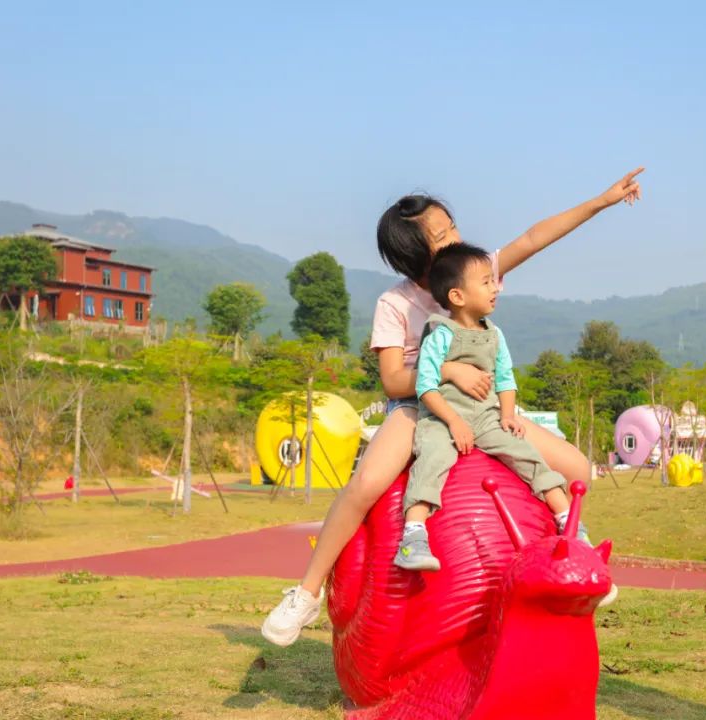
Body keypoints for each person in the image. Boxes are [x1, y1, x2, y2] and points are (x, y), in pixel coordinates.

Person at [261, 168, 643, 646]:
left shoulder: (475, 272)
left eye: (453, 227)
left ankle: (566, 560)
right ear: (414, 255)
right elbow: (392, 378)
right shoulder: (396, 303)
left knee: (575, 465)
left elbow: (533, 237)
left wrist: (602, 201)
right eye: (443, 236)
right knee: (367, 484)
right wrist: (448, 371)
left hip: (484, 408)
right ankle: (307, 592)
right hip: (418, 405)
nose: (457, 239)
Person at [395, 243, 575, 571]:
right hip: (442, 416)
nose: (495, 288)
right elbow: (426, 387)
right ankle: (413, 535)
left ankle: (569, 522)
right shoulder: (440, 334)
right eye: (486, 282)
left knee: (526, 454)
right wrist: (453, 422)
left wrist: (507, 414)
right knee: (434, 457)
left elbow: (506, 379)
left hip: (486, 415)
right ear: (457, 296)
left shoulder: (495, 335)